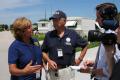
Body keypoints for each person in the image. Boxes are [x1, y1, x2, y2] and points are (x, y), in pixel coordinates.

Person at [41, 10, 88, 80]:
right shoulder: (49, 35)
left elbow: (85, 45)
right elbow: (43, 51)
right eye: (53, 20)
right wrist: (48, 61)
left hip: (67, 71)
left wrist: (79, 59)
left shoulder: (72, 34)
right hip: (52, 72)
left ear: (65, 21)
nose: (54, 22)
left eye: (57, 20)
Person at [80, 3, 118, 80]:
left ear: (107, 18)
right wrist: (94, 63)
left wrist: (90, 71)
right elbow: (108, 60)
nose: (96, 20)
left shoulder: (114, 38)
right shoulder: (107, 34)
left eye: (98, 17)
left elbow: (114, 68)